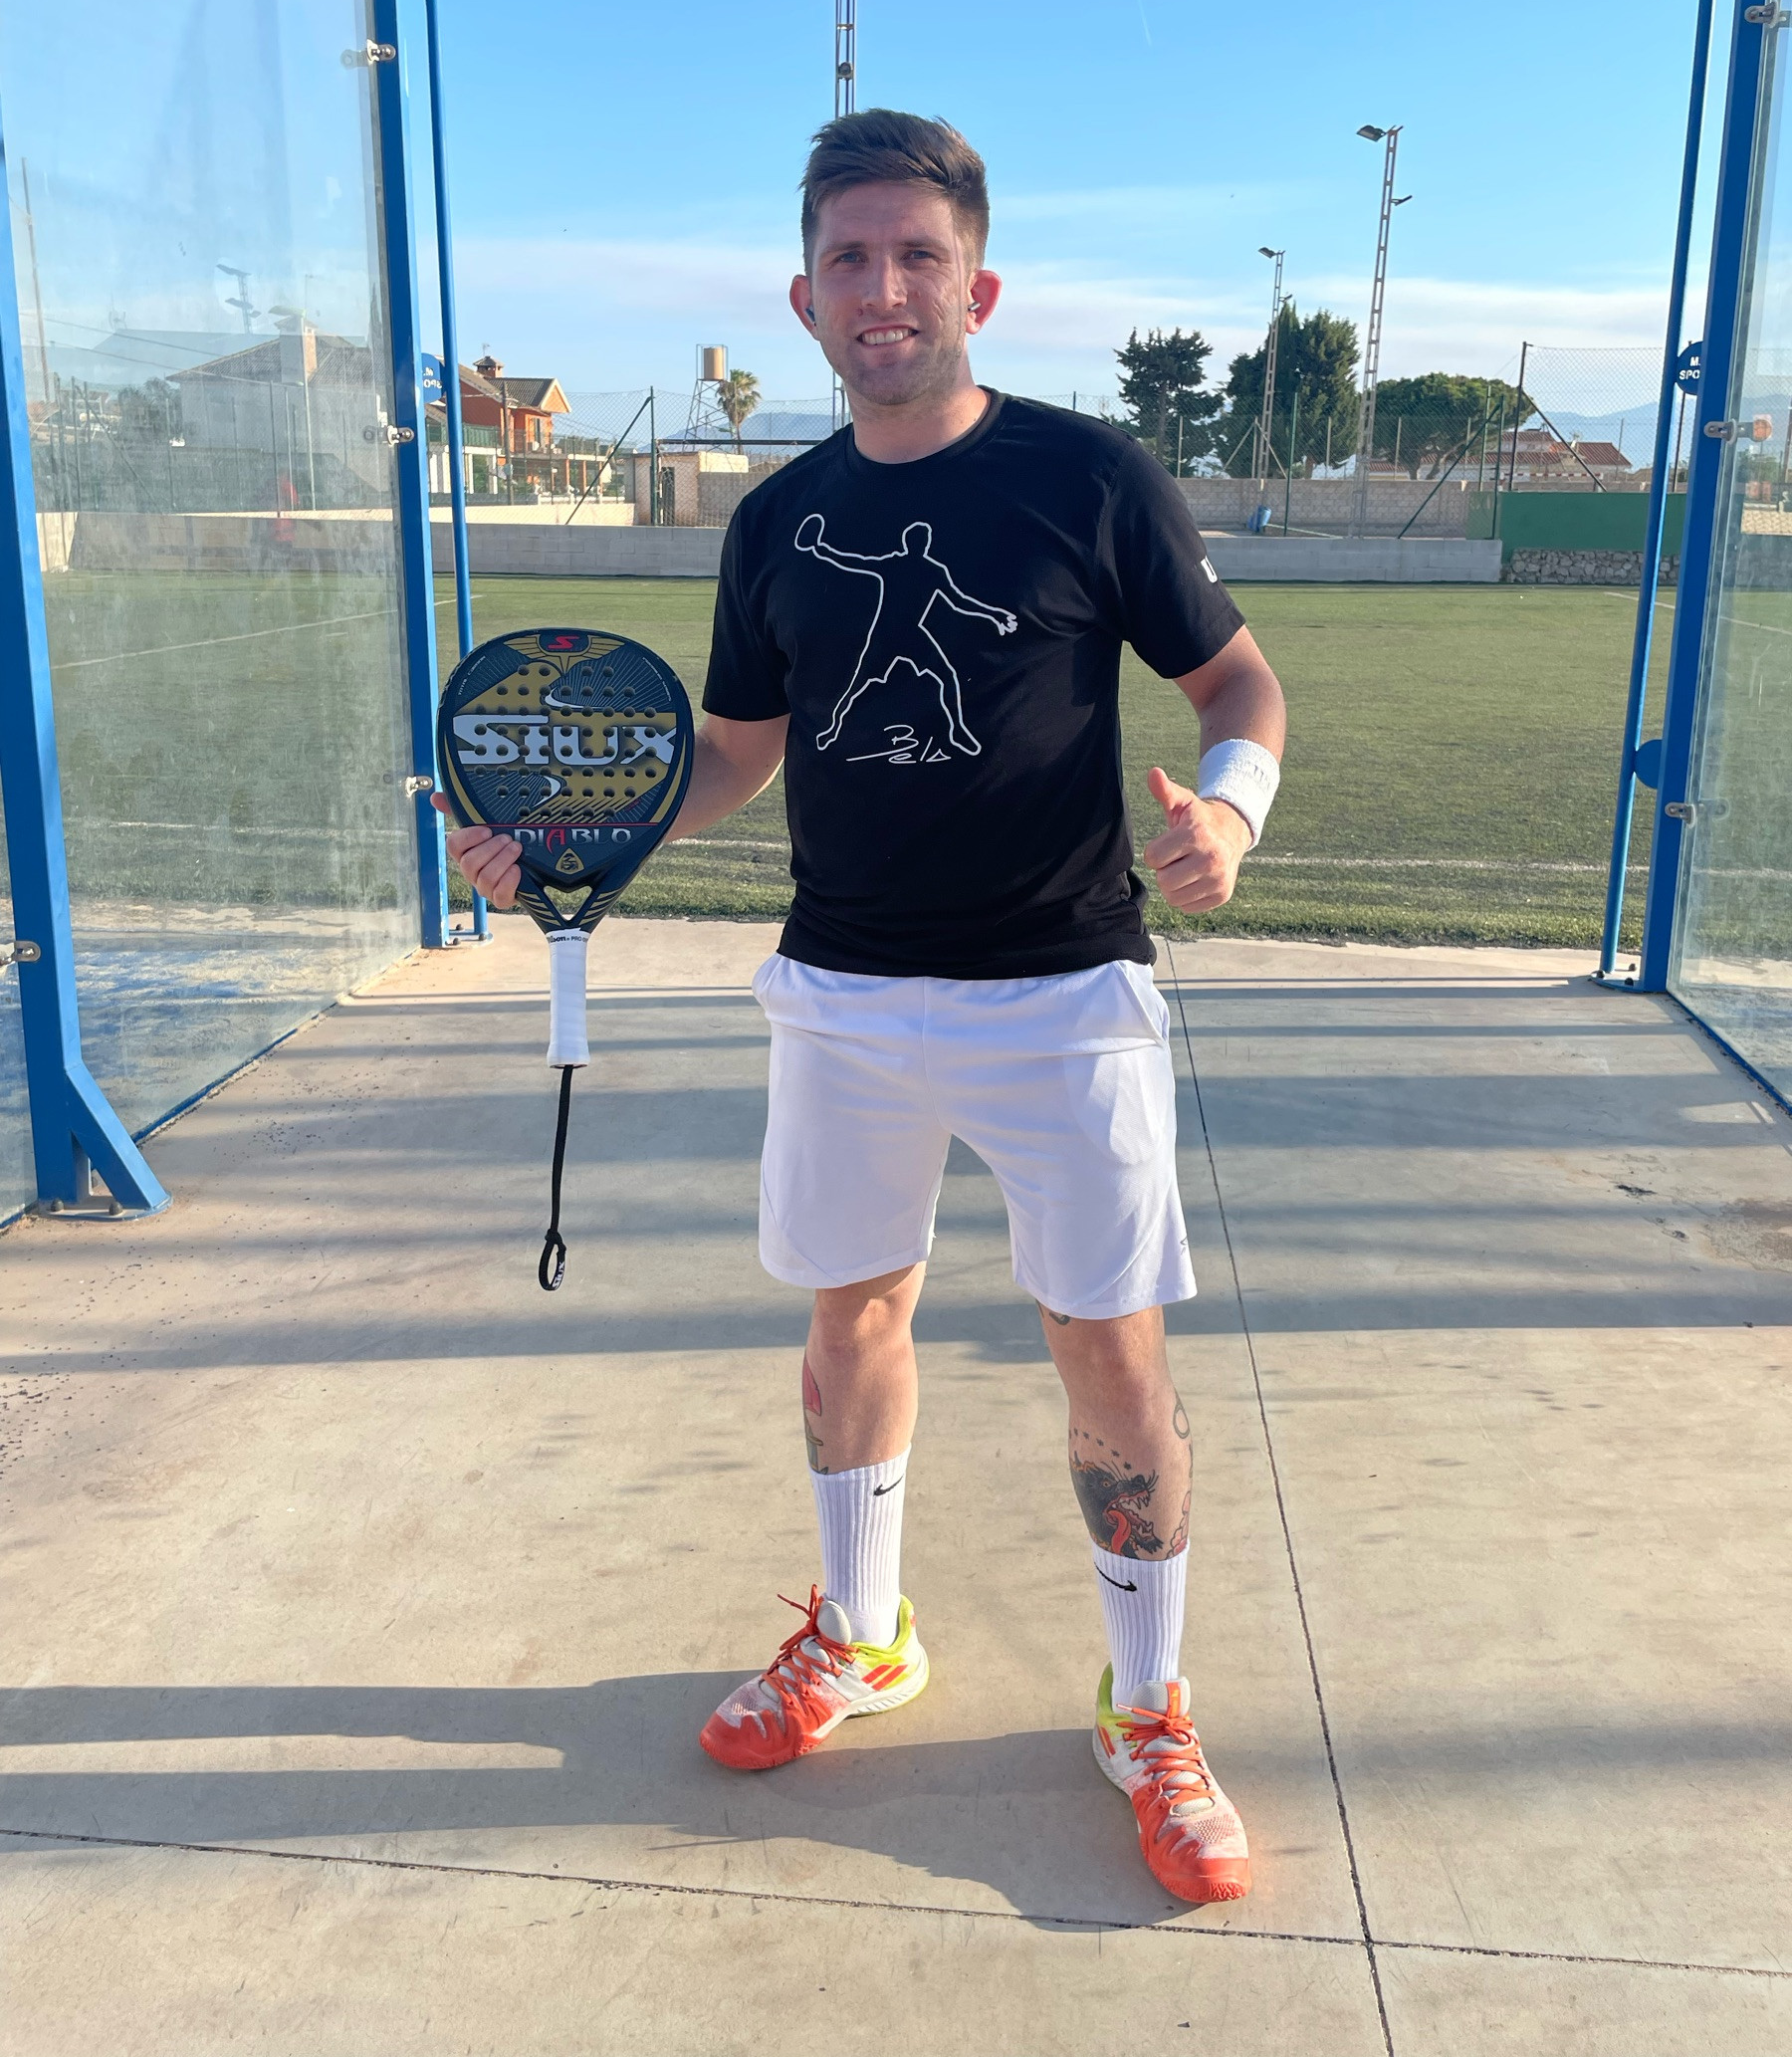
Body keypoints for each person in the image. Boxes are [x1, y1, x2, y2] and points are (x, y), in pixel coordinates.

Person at [446, 110, 1286, 1907]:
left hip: (1064, 990)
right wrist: (578, 835)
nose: (884, 286)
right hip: (841, 988)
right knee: (853, 1322)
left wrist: (1228, 813)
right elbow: (738, 754)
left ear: (978, 286)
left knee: (1111, 1354)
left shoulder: (1090, 476)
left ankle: (1149, 1710)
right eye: (851, 257)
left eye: (918, 255)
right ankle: (862, 1633)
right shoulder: (777, 519)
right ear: (806, 297)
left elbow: (1239, 684)